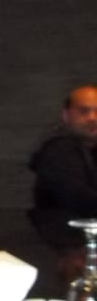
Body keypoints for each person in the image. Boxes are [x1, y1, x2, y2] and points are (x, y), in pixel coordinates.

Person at [29, 85, 97, 248]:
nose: (92, 118)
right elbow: (79, 200)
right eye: (83, 111)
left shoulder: (90, 149)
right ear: (66, 116)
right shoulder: (59, 150)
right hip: (69, 245)